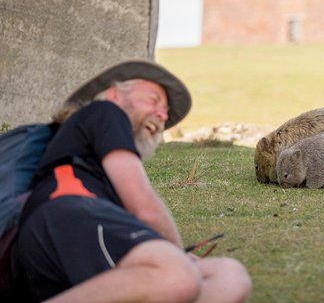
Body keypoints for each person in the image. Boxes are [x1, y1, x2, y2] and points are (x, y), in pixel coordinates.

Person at [11, 60, 252, 302]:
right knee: (176, 275)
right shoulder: (106, 111)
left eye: (166, 111)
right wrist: (177, 255)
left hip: (87, 240)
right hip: (64, 215)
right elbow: (144, 208)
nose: (162, 115)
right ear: (114, 95)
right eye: (153, 100)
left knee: (229, 277)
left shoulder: (102, 170)